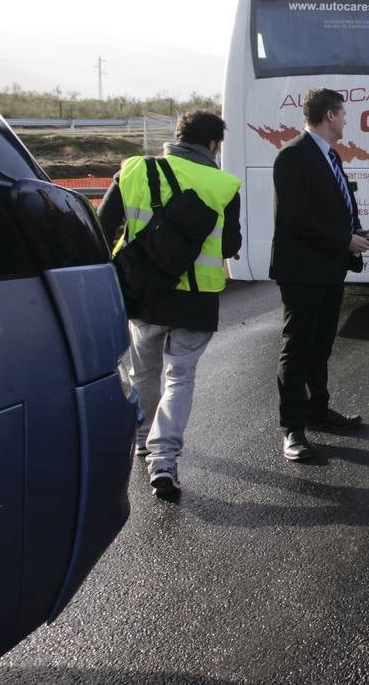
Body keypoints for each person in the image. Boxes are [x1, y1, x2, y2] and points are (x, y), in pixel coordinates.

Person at [99, 110, 242, 499]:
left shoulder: (132, 171)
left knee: (144, 374)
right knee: (180, 377)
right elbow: (230, 247)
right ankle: (164, 460)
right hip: (195, 300)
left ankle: (144, 442)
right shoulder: (224, 184)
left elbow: (102, 225)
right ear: (213, 145)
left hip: (142, 293)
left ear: (176, 136)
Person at [270, 88, 369, 462]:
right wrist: (343, 239)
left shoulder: (330, 155)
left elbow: (335, 207)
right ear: (329, 115)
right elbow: (295, 219)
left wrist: (355, 232)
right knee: (297, 349)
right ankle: (293, 429)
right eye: (344, 114)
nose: (347, 121)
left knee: (321, 346)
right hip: (302, 271)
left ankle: (318, 412)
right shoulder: (293, 156)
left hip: (329, 268)